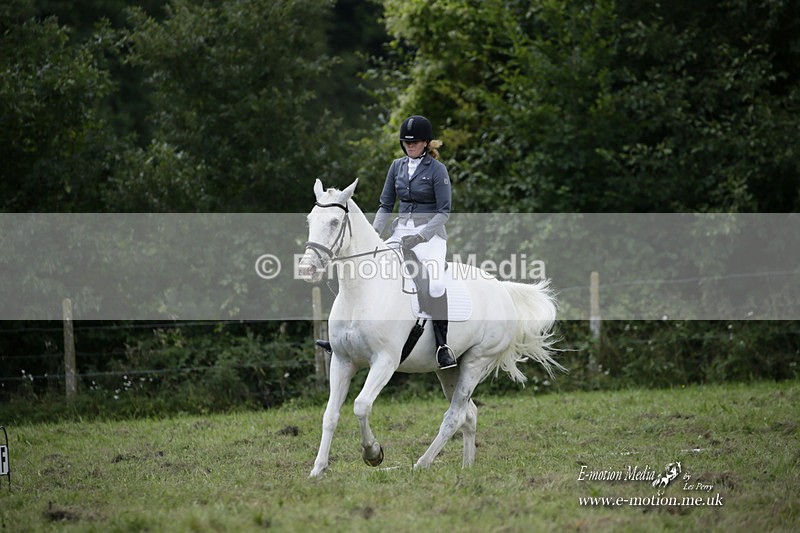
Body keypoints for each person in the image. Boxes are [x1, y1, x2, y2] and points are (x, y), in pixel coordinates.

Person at [372, 115, 457, 370]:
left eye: (416, 142)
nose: (411, 146)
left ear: (425, 143)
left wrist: (421, 236)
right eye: (407, 142)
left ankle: (442, 346)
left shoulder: (437, 170)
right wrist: (375, 233)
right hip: (400, 233)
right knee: (372, 269)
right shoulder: (396, 166)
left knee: (435, 283)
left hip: (429, 236)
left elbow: (444, 211)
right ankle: (352, 335)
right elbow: (385, 205)